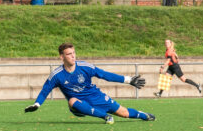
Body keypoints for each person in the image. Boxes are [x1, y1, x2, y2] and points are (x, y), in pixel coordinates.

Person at [24, 43, 152, 123]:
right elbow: (45, 90)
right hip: (78, 105)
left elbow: (104, 75)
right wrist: (37, 104)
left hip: (96, 97)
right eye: (69, 54)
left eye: (74, 53)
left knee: (124, 113)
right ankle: (106, 117)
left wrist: (128, 80)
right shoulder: (57, 75)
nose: (73, 56)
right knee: (72, 101)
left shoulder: (85, 67)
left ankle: (143, 115)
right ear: (62, 57)